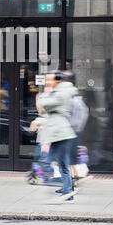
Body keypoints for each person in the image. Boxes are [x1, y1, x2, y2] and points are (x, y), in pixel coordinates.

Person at [39, 70, 78, 203]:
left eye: (50, 80)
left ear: (58, 81)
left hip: (60, 133)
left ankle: (68, 190)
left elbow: (44, 105)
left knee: (49, 160)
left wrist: (45, 93)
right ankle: (68, 189)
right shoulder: (61, 92)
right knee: (62, 163)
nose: (47, 82)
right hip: (60, 133)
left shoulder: (60, 93)